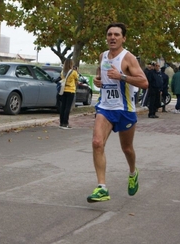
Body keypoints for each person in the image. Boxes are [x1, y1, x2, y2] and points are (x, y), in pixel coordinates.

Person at [87, 22, 148, 203]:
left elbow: (144, 82)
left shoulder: (128, 58)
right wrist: (98, 80)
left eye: (116, 35)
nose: (112, 37)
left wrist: (121, 76)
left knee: (127, 149)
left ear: (123, 38)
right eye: (109, 34)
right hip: (105, 108)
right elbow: (101, 72)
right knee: (97, 142)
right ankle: (102, 188)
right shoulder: (103, 56)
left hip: (124, 110)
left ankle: (132, 172)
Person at [59, 58, 78, 129]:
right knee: (68, 107)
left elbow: (61, 78)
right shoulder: (73, 72)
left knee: (63, 106)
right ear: (71, 64)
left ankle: (61, 122)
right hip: (71, 90)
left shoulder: (62, 72)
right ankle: (65, 123)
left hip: (63, 90)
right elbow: (76, 79)